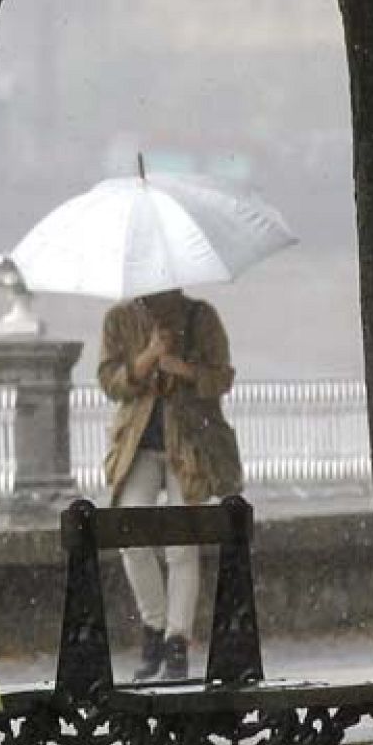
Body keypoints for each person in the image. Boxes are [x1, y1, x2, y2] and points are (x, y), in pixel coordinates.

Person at [98, 287, 242, 680]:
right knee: (131, 533)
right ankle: (154, 626)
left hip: (190, 444)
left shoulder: (200, 316)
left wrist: (185, 370)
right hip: (138, 446)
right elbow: (109, 382)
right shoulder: (120, 319)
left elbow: (222, 377)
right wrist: (146, 358)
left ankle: (177, 640)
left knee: (182, 543)